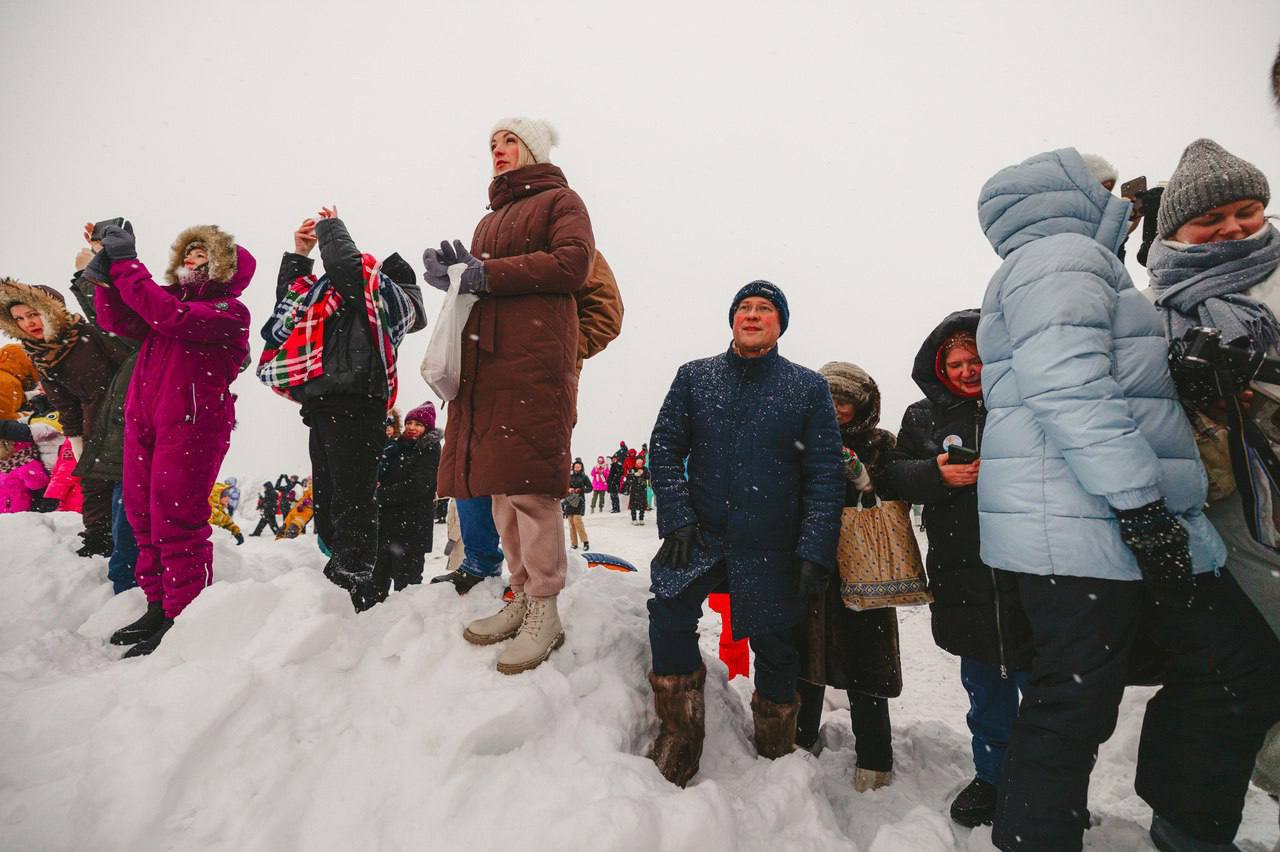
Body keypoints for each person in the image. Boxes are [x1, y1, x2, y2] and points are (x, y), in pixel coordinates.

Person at [975, 147, 1280, 852]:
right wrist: (1140, 504)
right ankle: (1043, 838)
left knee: (1230, 664)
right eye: (1110, 187)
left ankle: (1186, 820)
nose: (1125, 200)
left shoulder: (1074, 264)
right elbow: (1069, 385)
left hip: (1105, 526)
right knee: (1075, 701)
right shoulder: (1064, 258)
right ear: (1077, 191)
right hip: (1086, 530)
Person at [645, 280, 844, 787]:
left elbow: (825, 473)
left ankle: (775, 743)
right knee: (668, 615)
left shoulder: (806, 387)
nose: (753, 315)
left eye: (765, 309)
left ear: (780, 325)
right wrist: (678, 517)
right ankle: (680, 734)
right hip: (701, 534)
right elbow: (664, 448)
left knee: (777, 644)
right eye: (744, 308)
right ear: (732, 320)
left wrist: (814, 549)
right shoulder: (695, 377)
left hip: (772, 541)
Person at [423, 117, 594, 675]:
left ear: (533, 149)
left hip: (533, 366)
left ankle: (545, 606)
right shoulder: (488, 219)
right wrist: (456, 280)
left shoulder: (561, 201)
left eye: (509, 142)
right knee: (499, 487)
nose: (498, 151)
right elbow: (481, 284)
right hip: (488, 365)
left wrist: (485, 274)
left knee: (531, 490)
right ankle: (519, 595)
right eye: (492, 144)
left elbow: (573, 265)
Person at [1144, 138, 1280, 832]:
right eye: (1211, 218)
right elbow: (1136, 412)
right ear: (1173, 233)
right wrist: (1188, 382)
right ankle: (1189, 824)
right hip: (1219, 522)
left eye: (1247, 211)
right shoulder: (1158, 310)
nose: (1232, 227)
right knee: (1232, 676)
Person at [878, 310, 1033, 826]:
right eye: (957, 363)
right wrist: (936, 474)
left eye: (977, 359)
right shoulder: (923, 417)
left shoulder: (1025, 401)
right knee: (985, 683)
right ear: (940, 369)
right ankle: (992, 777)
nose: (969, 371)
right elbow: (892, 474)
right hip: (963, 570)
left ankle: (1048, 780)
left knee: (1045, 683)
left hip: (1032, 565)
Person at [86, 222, 255, 657]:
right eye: (187, 254)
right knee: (143, 519)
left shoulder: (227, 311)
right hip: (146, 424)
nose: (189, 261)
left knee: (176, 521)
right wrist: (106, 270)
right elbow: (116, 317)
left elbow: (167, 315)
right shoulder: (168, 307)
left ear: (221, 267)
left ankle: (184, 618)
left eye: (200, 255)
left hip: (192, 426)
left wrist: (127, 262)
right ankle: (159, 606)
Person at [263, 208, 425, 610]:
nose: (366, 268)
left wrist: (331, 228)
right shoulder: (337, 302)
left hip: (356, 401)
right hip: (323, 401)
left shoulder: (384, 301)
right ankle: (344, 575)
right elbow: (291, 304)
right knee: (330, 499)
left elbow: (344, 263)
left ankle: (353, 581)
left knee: (352, 498)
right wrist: (300, 255)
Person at [794, 362, 903, 794]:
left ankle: (876, 758)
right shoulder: (800, 438)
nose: (837, 409)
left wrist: (865, 480)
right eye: (830, 399)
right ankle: (800, 742)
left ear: (863, 405)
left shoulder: (880, 442)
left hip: (866, 568)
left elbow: (895, 492)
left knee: (867, 667)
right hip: (811, 564)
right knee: (806, 661)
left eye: (846, 401)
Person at [0, 279, 132, 557]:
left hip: (129, 419)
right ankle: (98, 545)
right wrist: (76, 438)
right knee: (92, 483)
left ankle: (133, 551)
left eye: (34, 313)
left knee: (130, 491)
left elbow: (131, 367)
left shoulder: (89, 333)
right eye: (19, 319)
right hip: (91, 423)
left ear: (51, 309)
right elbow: (65, 404)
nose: (28, 323)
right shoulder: (40, 355)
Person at [373, 401, 441, 600]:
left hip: (411, 530)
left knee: (407, 589)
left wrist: (379, 496)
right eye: (410, 422)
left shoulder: (430, 449)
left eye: (418, 424)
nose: (412, 427)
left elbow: (419, 486)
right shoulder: (394, 448)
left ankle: (406, 629)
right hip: (386, 528)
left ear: (427, 428)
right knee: (376, 584)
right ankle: (369, 626)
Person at [0, 439, 49, 512]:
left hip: (18, 509)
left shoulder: (26, 460)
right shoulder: (2, 465)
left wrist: (26, 475)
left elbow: (40, 483)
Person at [0, 344, 37, 421]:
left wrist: (27, 396)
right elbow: (5, 419)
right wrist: (29, 415)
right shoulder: (7, 381)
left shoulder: (7, 376)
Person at [565, 458, 591, 549]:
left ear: (581, 467)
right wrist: (569, 489)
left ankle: (585, 542)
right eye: (575, 467)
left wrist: (581, 489)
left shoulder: (584, 477)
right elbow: (565, 487)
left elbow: (590, 488)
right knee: (571, 523)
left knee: (577, 521)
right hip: (570, 500)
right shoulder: (569, 476)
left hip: (579, 500)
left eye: (578, 467)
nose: (576, 468)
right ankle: (574, 543)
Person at [626, 456, 650, 525]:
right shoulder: (633, 469)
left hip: (642, 489)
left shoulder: (645, 469)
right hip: (634, 489)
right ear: (636, 462)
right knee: (633, 505)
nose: (639, 464)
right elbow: (628, 477)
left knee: (642, 505)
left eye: (640, 463)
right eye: (638, 462)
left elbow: (648, 476)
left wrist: (643, 473)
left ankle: (641, 519)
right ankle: (634, 519)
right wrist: (634, 475)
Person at [607, 448, 625, 513]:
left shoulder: (618, 465)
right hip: (611, 483)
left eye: (615, 459)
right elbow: (610, 475)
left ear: (617, 459)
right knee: (612, 496)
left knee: (615, 496)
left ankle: (617, 508)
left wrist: (615, 479)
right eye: (613, 459)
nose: (614, 460)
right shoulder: (612, 465)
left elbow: (621, 473)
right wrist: (609, 481)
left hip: (615, 483)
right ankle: (614, 508)